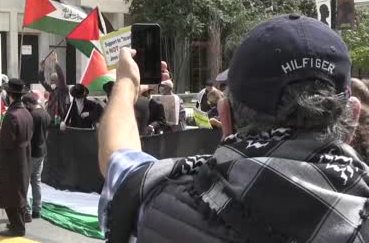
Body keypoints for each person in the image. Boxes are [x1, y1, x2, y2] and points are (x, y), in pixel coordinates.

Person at [98, 15, 369, 243]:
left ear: (225, 117)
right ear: (353, 118)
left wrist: (126, 85)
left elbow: (118, 157)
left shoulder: (162, 204)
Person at [0, 78, 33, 237]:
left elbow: (7, 142)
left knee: (11, 193)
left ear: (10, 95)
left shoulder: (12, 115)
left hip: (12, 158)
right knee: (20, 191)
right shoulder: (26, 112)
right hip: (24, 155)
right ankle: (18, 224)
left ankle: (17, 227)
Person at [21, 93, 50, 220]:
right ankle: (37, 209)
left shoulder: (31, 116)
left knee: (25, 181)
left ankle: (26, 210)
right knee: (36, 180)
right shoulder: (45, 114)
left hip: (31, 152)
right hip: (42, 150)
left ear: (28, 104)